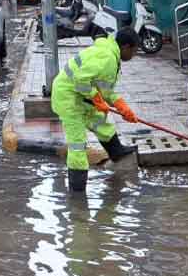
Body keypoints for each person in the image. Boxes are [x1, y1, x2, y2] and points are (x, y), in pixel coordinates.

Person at [51, 27, 142, 193]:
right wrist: (96, 97)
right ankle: (77, 193)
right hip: (68, 98)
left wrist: (121, 106)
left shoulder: (111, 55)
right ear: (125, 47)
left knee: (100, 120)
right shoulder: (107, 57)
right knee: (77, 145)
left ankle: (116, 151)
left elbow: (105, 89)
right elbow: (79, 79)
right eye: (134, 51)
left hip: (80, 96)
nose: (134, 55)